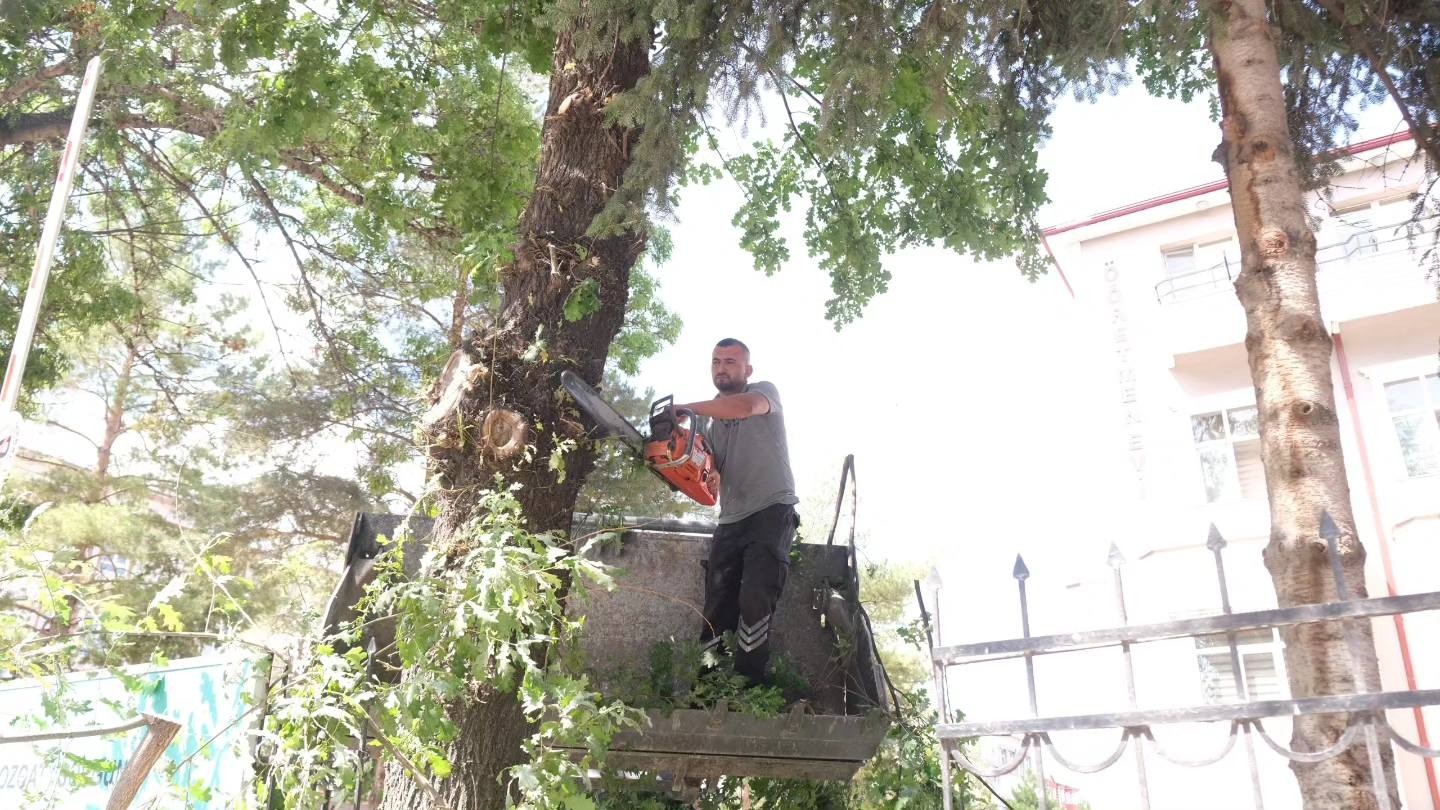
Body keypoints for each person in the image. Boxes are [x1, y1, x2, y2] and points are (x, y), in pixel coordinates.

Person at [675, 338, 799, 684]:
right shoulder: (708, 425)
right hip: (731, 520)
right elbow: (709, 475)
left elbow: (745, 407)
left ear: (748, 369)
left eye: (730, 361)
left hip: (771, 510)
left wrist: (686, 410)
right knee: (717, 604)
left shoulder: (763, 392)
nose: (722, 368)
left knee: (756, 597)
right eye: (716, 361)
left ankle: (749, 686)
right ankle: (707, 687)